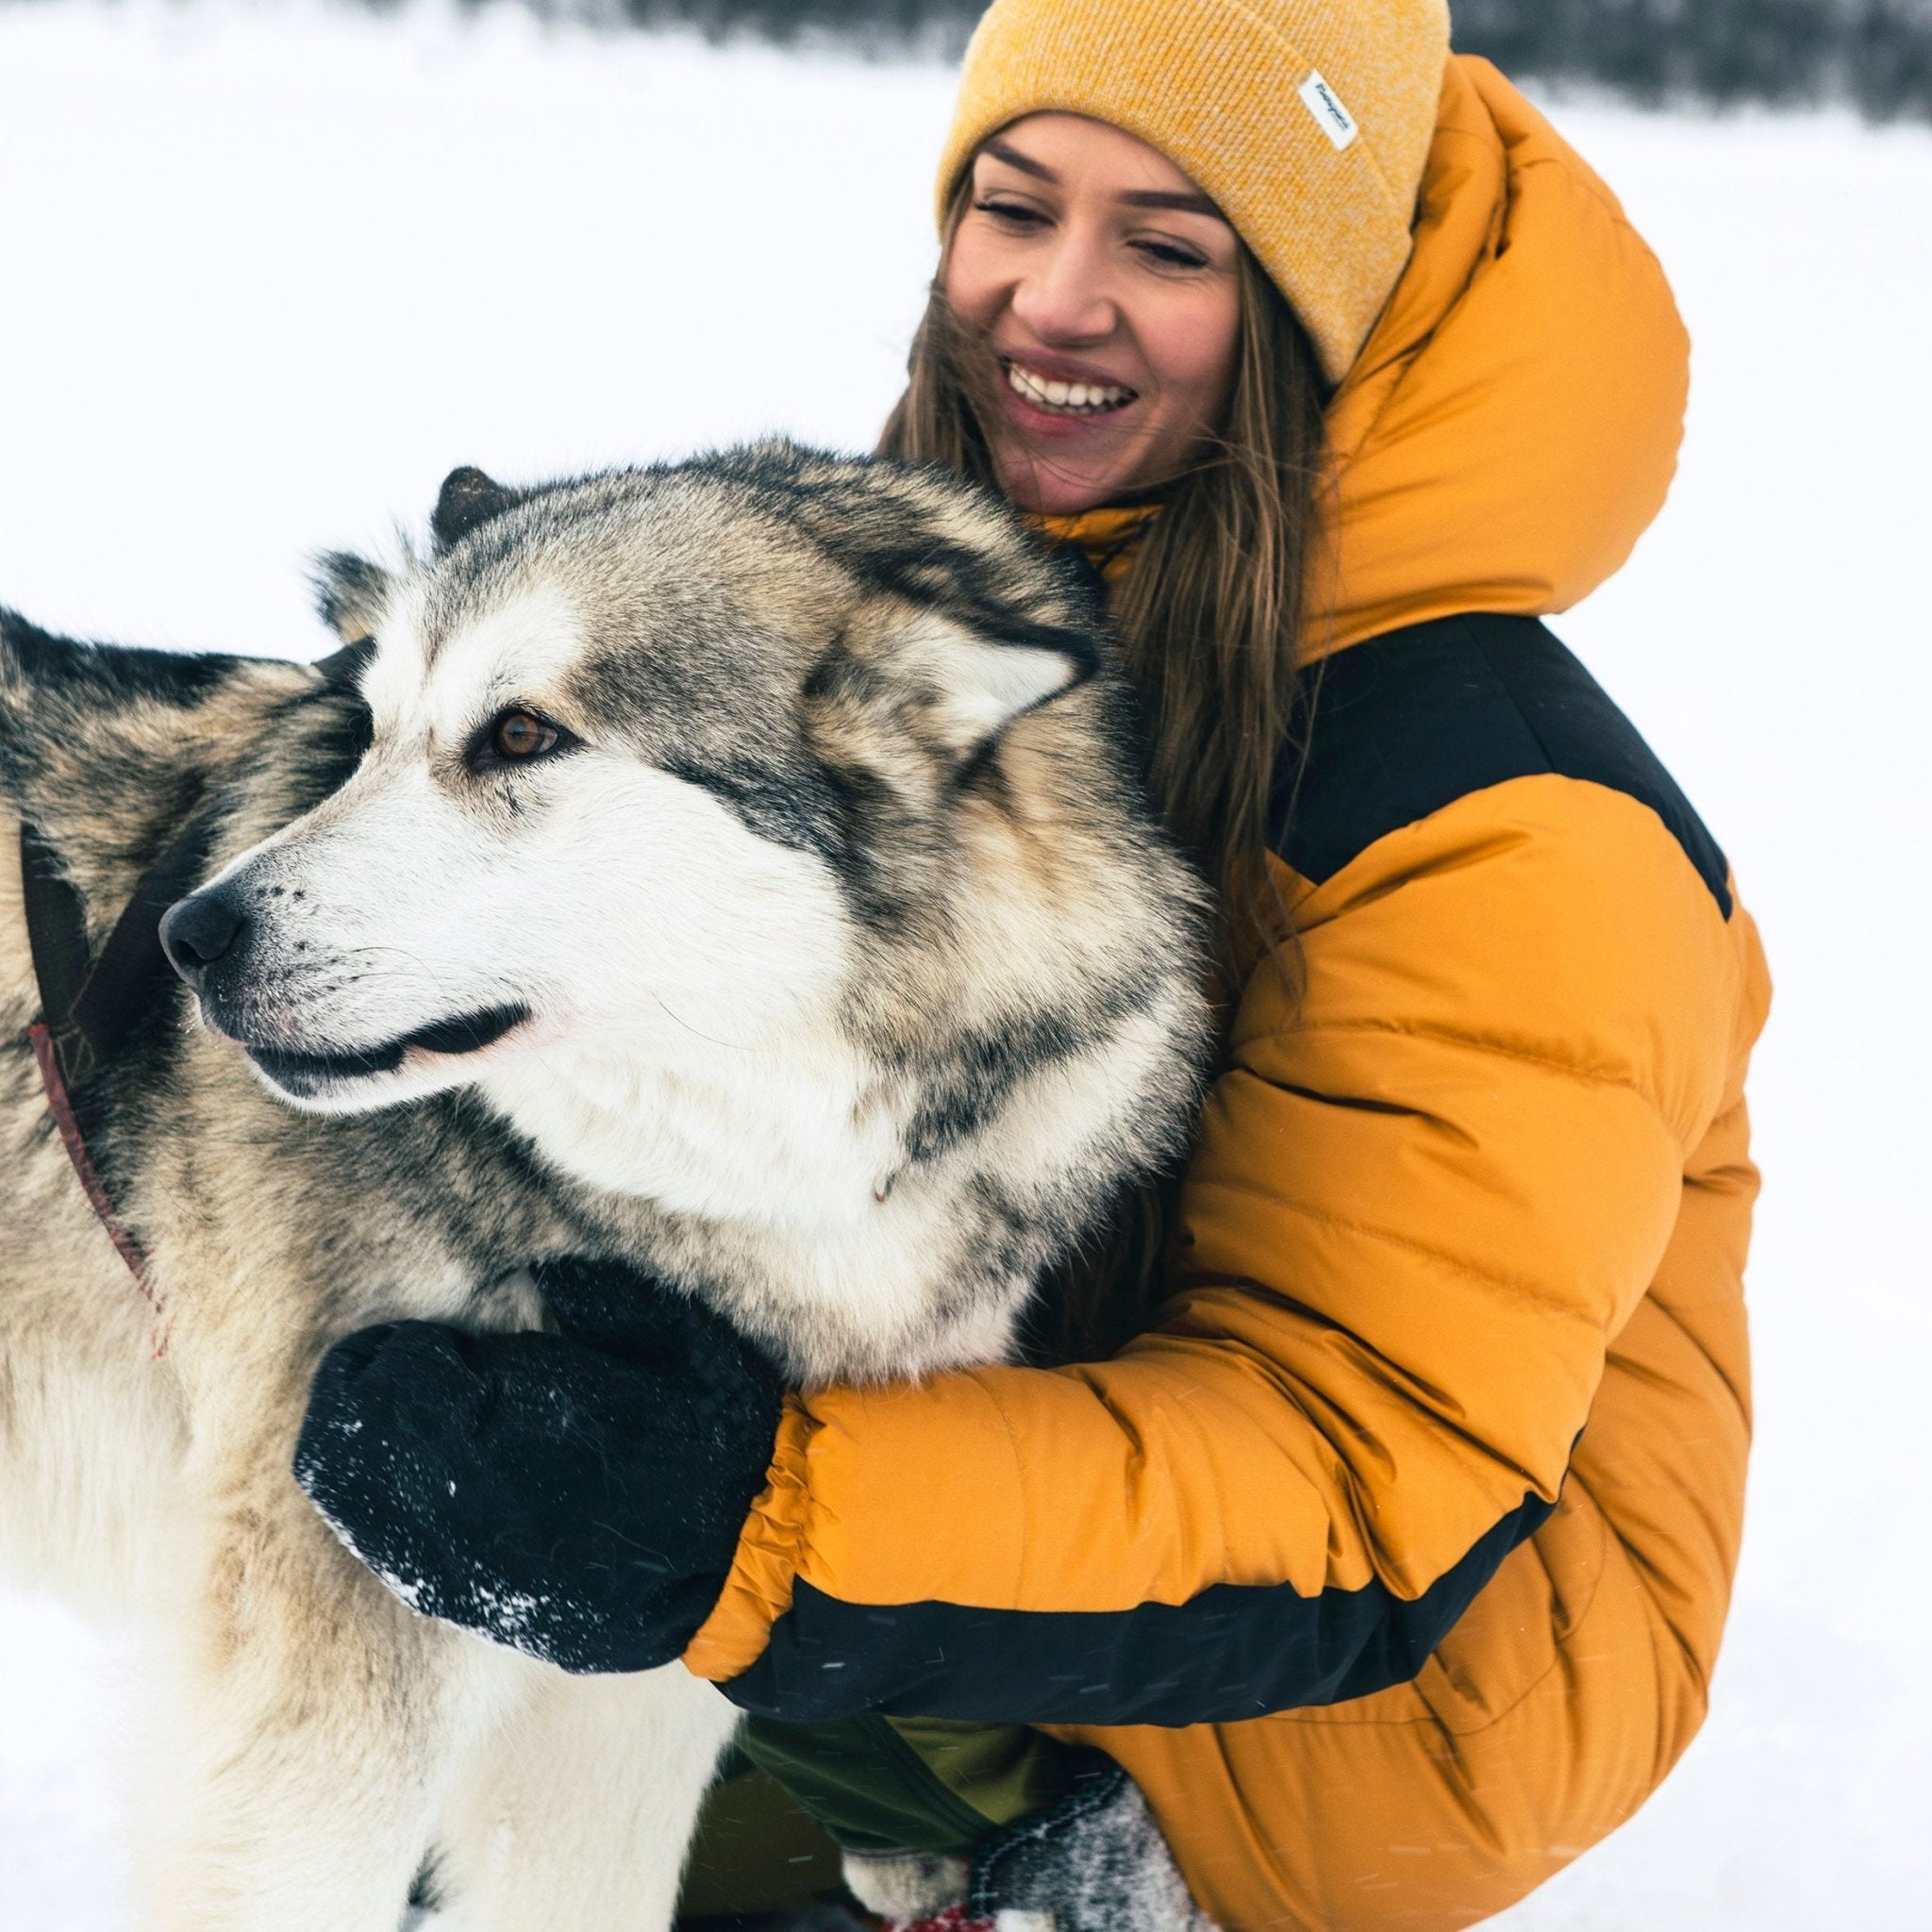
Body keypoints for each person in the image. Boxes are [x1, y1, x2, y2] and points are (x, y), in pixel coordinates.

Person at [294, 2, 1772, 1925]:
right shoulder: (968, 572)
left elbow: (1361, 1481)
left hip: (1377, 1695)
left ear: (1308, 307)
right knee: (479, 1798)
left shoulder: (1508, 825)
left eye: (1168, 244)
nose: (1053, 303)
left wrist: (736, 1520)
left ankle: (1060, 1867)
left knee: (598, 1739)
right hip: (1019, 1450)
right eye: (1012, 207)